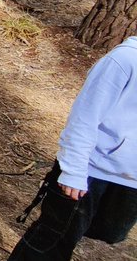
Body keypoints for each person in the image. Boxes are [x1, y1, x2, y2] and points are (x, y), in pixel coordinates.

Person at [10, 38, 137, 260]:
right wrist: (74, 171)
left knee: (111, 232)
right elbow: (84, 118)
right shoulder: (125, 59)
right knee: (54, 237)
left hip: (130, 178)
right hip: (92, 168)